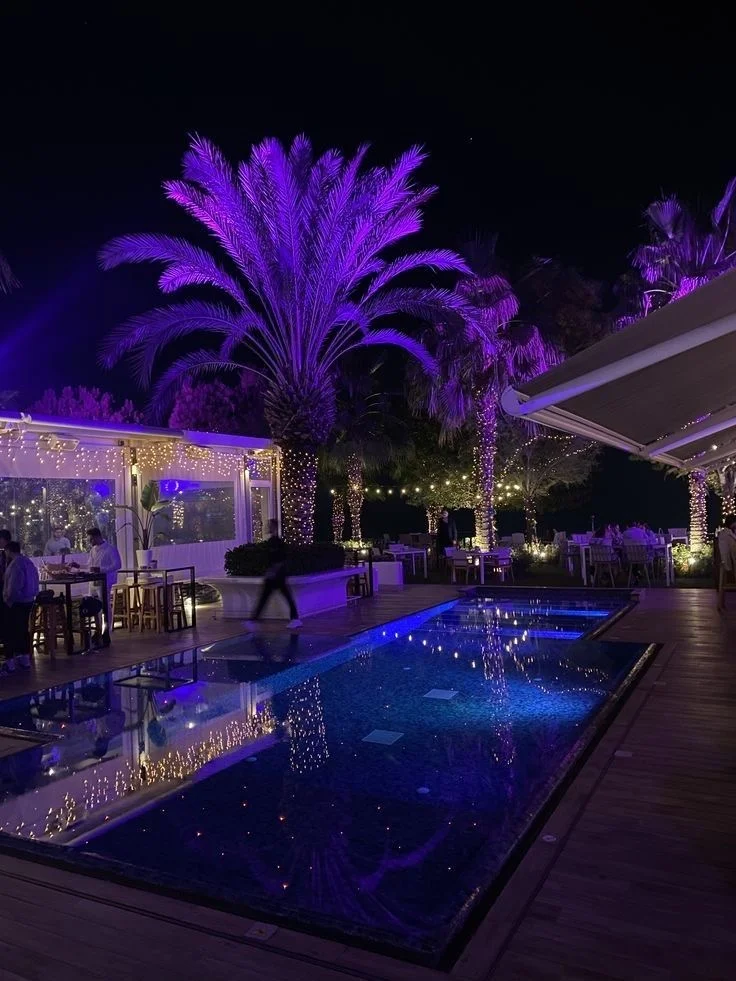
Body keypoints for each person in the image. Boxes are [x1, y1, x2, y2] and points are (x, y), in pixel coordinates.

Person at [245, 519, 302, 629]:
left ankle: (295, 619)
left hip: (278, 576)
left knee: (278, 597)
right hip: (273, 576)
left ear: (275, 527)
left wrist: (273, 570)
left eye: (270, 525)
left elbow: (281, 559)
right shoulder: (272, 542)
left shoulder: (277, 543)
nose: (268, 527)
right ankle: (254, 620)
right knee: (266, 597)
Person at [71, 528, 122, 645]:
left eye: (91, 539)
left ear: (98, 536)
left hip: (104, 581)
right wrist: (79, 566)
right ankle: (97, 629)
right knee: (94, 605)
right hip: (93, 581)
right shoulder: (93, 550)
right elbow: (90, 565)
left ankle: (106, 630)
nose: (90, 542)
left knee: (104, 605)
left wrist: (101, 570)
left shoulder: (110, 549)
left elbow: (118, 565)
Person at [3, 541, 39, 671]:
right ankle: (24, 658)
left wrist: (8, 599)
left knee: (11, 631)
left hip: (17, 602)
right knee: (23, 629)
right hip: (28, 600)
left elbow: (14, 585)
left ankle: (11, 662)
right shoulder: (28, 562)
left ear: (8, 551)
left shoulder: (15, 565)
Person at [717, 515, 736, 611]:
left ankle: (721, 604)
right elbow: (733, 551)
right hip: (728, 564)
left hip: (725, 563)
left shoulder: (724, 533)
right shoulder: (728, 534)